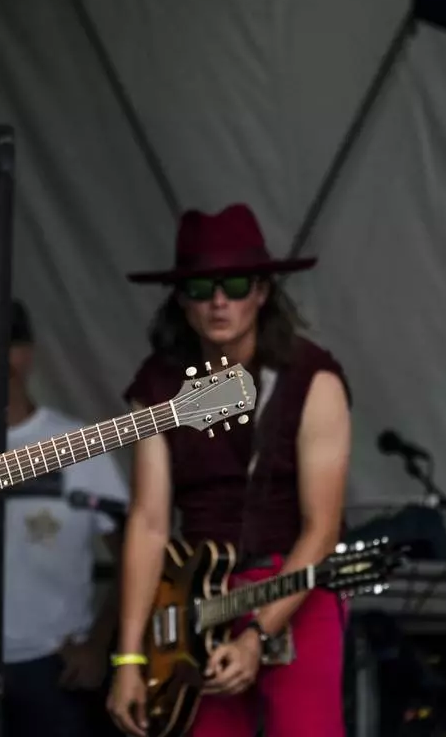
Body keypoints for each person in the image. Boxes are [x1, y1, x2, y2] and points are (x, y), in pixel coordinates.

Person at [106, 203, 352, 737]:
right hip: (198, 601)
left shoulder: (313, 379)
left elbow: (322, 530)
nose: (219, 300)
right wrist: (128, 661)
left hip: (293, 585)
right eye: (200, 288)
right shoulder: (157, 385)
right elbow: (148, 523)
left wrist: (258, 636)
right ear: (181, 300)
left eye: (236, 284)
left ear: (262, 291)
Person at [0, 299, 129, 737]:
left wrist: (99, 645)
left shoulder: (78, 443)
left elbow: (134, 554)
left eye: (7, 343)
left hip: (56, 666)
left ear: (28, 352)